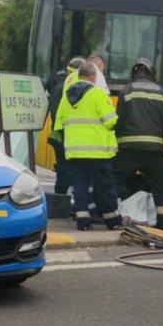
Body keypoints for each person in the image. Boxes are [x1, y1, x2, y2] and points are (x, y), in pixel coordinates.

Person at [54, 61, 123, 231]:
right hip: (98, 151)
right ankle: (112, 220)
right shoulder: (98, 94)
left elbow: (59, 124)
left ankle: (83, 221)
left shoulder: (66, 97)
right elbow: (111, 121)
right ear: (93, 76)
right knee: (104, 186)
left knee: (79, 186)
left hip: (74, 152)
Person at [114, 57, 163, 231]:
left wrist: (116, 145)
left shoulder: (126, 91)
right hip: (155, 152)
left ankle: (116, 217)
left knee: (115, 180)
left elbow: (118, 123)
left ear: (134, 73)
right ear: (152, 73)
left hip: (128, 151)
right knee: (161, 188)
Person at [48, 58, 84, 196]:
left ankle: (60, 199)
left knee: (62, 169)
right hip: (76, 137)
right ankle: (78, 202)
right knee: (80, 172)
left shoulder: (57, 89)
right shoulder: (85, 90)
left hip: (58, 136)